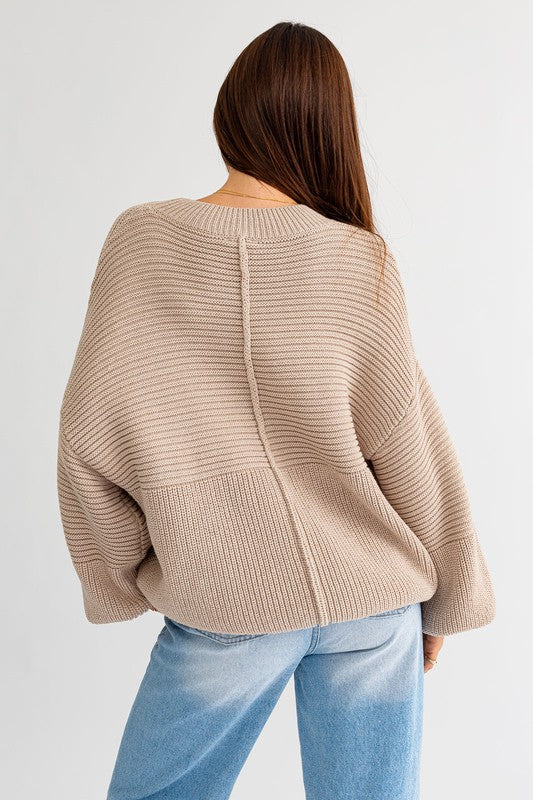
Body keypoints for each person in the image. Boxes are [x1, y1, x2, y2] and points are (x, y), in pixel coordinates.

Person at [56, 21, 496, 800]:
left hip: (227, 599)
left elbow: (89, 435)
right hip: (373, 603)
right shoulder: (358, 255)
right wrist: (445, 604)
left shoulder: (141, 239)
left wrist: (122, 574)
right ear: (330, 130)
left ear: (229, 113)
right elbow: (410, 447)